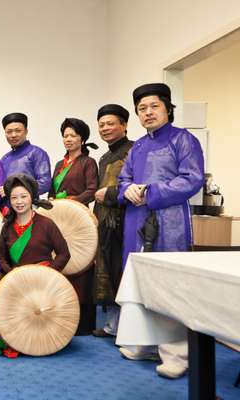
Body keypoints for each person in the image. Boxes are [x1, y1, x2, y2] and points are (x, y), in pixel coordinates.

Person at [117, 83, 204, 379]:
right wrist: (127, 189)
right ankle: (141, 341)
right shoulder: (138, 146)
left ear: (167, 108)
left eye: (154, 106)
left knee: (170, 285)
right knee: (140, 282)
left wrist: (151, 191)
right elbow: (123, 179)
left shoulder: (184, 140)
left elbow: (192, 179)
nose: (148, 113)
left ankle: (176, 354)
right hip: (137, 220)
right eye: (142, 109)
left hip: (170, 220)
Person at [49, 117, 98, 336]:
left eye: (73, 136)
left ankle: (83, 322)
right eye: (65, 135)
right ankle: (61, 316)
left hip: (79, 219)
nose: (68, 139)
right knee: (61, 262)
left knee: (81, 264)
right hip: (59, 217)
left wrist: (72, 201)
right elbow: (51, 190)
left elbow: (92, 190)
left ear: (82, 139)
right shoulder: (60, 164)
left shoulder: (88, 162)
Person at [92, 104, 134, 338]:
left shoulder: (133, 151)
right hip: (105, 222)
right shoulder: (105, 156)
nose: (106, 128)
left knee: (123, 271)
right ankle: (114, 325)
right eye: (102, 124)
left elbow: (135, 186)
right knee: (109, 270)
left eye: (111, 123)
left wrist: (108, 194)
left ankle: (128, 329)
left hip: (126, 222)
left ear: (124, 125)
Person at [0, 174, 70, 274]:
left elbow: (64, 254)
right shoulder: (7, 227)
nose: (19, 201)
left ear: (31, 197)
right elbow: (1, 258)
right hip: (17, 282)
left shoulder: (46, 224)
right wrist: (12, 274)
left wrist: (47, 272)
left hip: (44, 283)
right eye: (14, 197)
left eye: (23, 196)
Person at [0, 112, 52, 198]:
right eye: (9, 132)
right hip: (6, 208)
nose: (13, 135)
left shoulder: (37, 153)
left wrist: (13, 190)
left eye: (18, 131)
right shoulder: (4, 159)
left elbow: (45, 183)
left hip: (29, 207)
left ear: (26, 131)